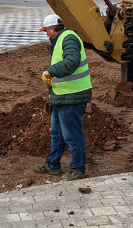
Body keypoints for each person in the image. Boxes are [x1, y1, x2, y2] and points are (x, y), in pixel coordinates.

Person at [33, 13, 91, 181]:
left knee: (72, 135)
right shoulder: (60, 41)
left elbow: (72, 61)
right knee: (57, 134)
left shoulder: (69, 38)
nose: (46, 34)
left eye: (46, 31)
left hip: (72, 95)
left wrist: (51, 71)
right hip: (61, 95)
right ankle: (53, 164)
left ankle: (78, 168)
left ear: (52, 29)